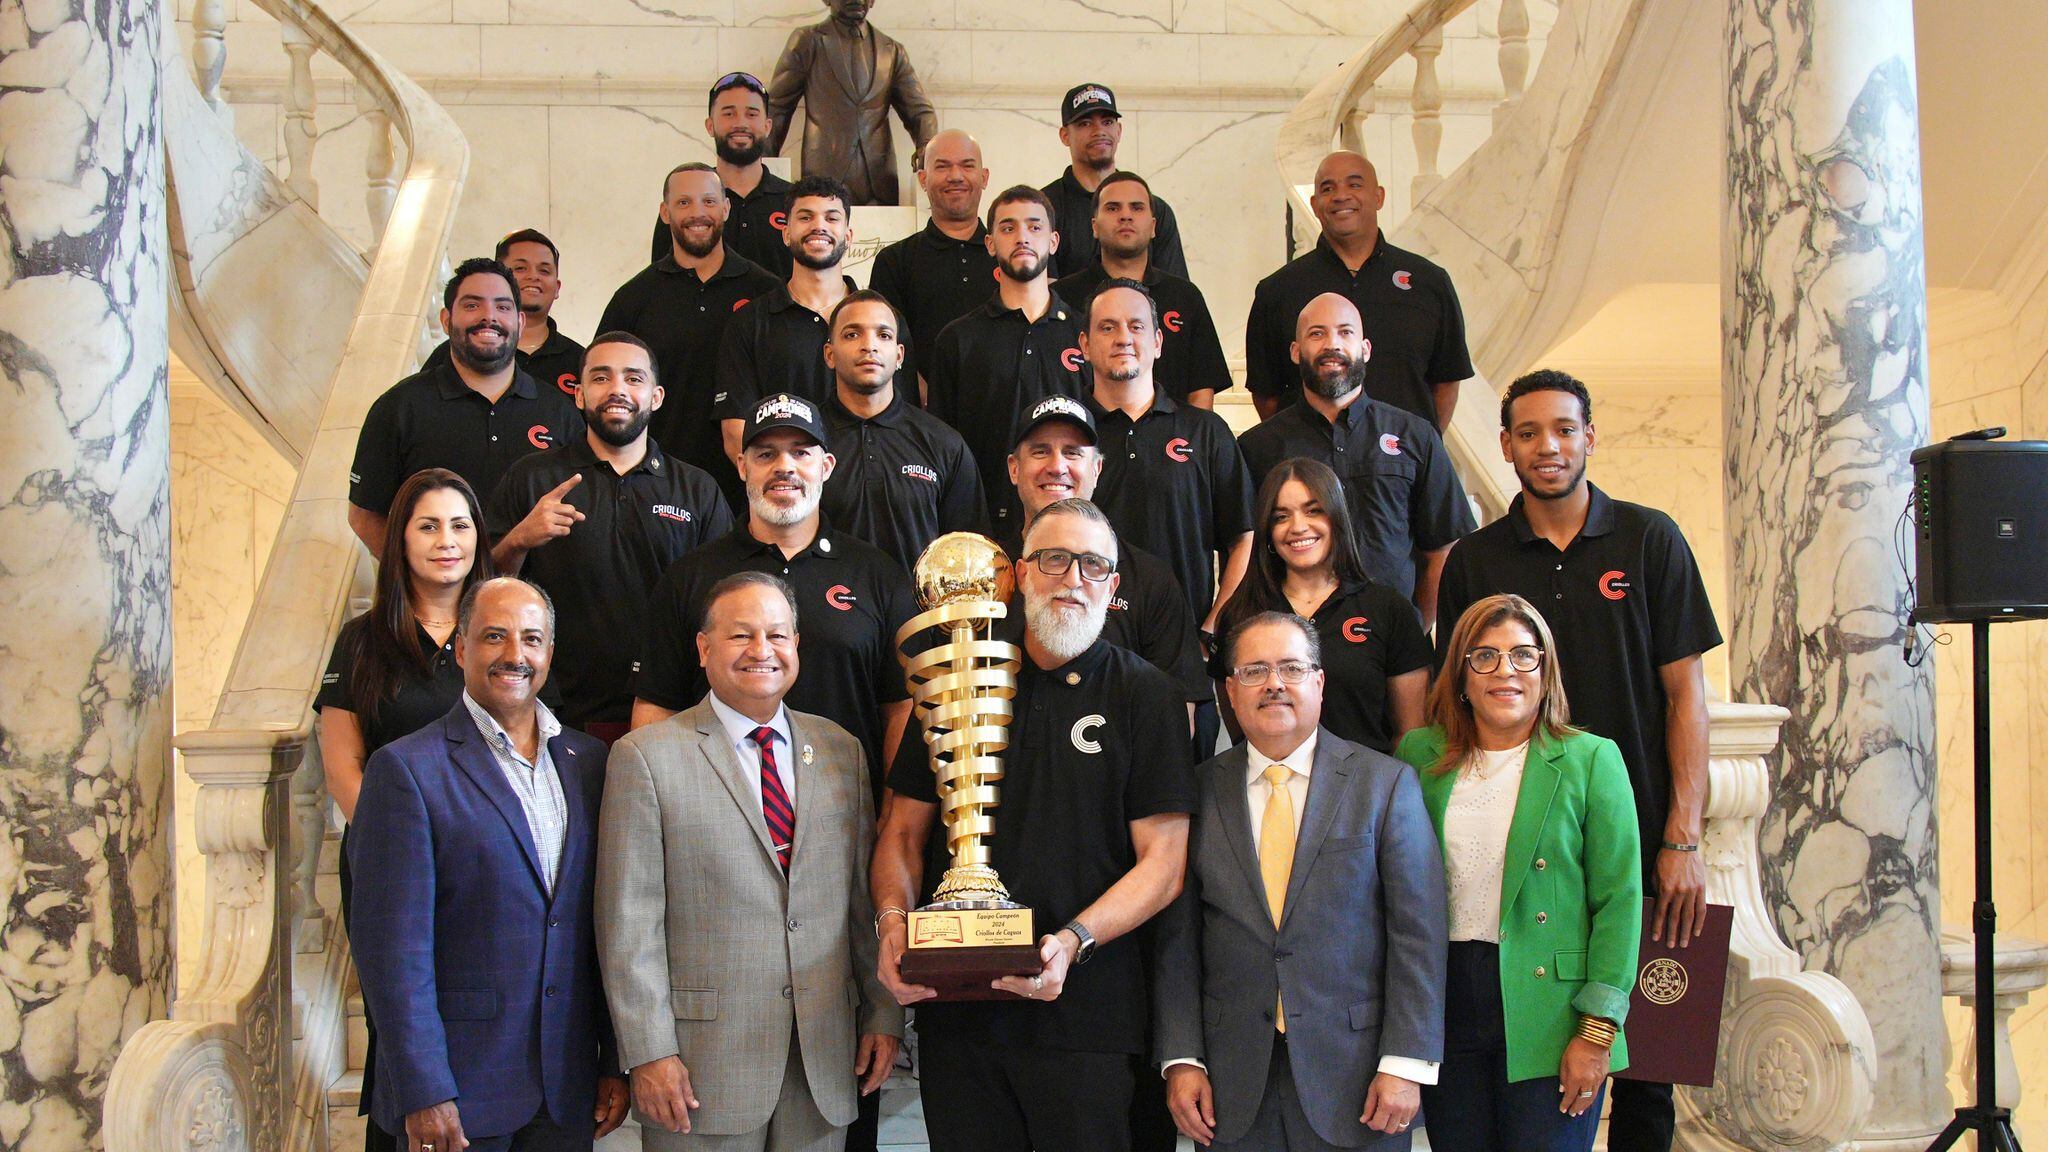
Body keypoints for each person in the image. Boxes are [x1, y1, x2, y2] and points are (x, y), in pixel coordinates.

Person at [1432, 370, 1721, 1152]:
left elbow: (1686, 697)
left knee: (1651, 1061)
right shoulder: (1475, 561)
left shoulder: (1649, 540)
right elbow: (1454, 699)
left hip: (1644, 841)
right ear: (1505, 446)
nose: (1548, 447)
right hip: (1531, 848)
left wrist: (1682, 837)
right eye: (1528, 433)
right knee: (1532, 1063)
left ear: (1590, 435)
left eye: (1564, 429)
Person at [872, 498, 1195, 1152]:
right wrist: (892, 923)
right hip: (958, 1018)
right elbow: (901, 834)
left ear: (1112, 584)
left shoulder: (1147, 694)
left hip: (1087, 1023)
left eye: (1092, 565)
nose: (1073, 578)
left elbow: (1163, 864)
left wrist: (1072, 942)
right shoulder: (954, 683)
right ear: (1019, 573)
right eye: (1054, 559)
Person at [597, 572, 903, 1152]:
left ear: (796, 647)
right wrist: (648, 1051)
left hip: (823, 1058)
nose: (762, 650)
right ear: (703, 648)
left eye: (777, 635)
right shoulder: (645, 757)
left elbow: (860, 906)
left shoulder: (841, 750)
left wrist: (882, 1015)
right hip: (699, 1070)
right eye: (741, 635)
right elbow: (628, 925)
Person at [350, 577, 631, 1152]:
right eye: (494, 636)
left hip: (566, 1087)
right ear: (461, 648)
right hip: (457, 1092)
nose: (514, 654)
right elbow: (392, 952)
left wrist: (611, 1059)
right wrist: (423, 1089)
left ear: (550, 653)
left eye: (532, 639)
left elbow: (601, 930)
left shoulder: (590, 762)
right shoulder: (405, 769)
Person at [1153, 611, 1447, 1151]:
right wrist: (1182, 1057)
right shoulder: (1196, 793)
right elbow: (1179, 938)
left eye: (1291, 668)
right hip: (1230, 1081)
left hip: (1360, 1078)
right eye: (1254, 671)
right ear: (1229, 691)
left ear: (1319, 681)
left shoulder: (1385, 785)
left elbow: (1418, 935)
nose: (1274, 684)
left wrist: (1406, 1061)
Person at [1394, 594, 1642, 1152]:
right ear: (1462, 675)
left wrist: (1597, 1030)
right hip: (1445, 1000)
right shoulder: (1418, 755)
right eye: (1485, 656)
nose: (1505, 670)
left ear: (1545, 670)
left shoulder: (1591, 759)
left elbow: (1620, 902)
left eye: (1523, 655)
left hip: (1552, 1010)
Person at [318, 468, 495, 1152]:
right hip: (392, 869)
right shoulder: (362, 641)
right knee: (404, 1019)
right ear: (400, 540)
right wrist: (405, 851)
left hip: (486, 868)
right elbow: (343, 767)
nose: (446, 540)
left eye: (460, 525)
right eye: (428, 526)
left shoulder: (502, 633)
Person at [632, 393, 917, 803]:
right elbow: (656, 707)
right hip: (712, 813)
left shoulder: (878, 575)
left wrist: (893, 821)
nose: (785, 466)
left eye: (800, 452)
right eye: (766, 454)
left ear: (826, 466)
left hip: (845, 811)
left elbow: (901, 709)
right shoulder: (689, 576)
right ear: (742, 466)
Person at [486, 333, 733, 742]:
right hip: (552, 710)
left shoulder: (697, 489)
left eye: (633, 378)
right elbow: (484, 592)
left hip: (673, 710)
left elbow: (727, 602)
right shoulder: (532, 478)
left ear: (656, 396)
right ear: (579, 394)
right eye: (601, 378)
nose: (617, 389)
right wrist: (519, 540)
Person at [1237, 293, 1472, 628]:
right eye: (1317, 333)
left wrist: (1416, 627)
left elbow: (1443, 548)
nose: (1332, 344)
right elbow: (1243, 552)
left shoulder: (1415, 436)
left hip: (1392, 638)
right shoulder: (1257, 447)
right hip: (1292, 640)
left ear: (1366, 349)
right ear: (1295, 351)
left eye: (1345, 332)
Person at [1004, 396, 1210, 734]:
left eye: (1073, 453)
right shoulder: (984, 572)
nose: (1057, 466)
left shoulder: (1150, 579)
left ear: (1097, 469)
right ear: (1014, 468)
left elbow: (1176, 715)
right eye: (1040, 451)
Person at [348, 258, 581, 553]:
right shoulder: (399, 407)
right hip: (439, 582)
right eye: (472, 305)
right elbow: (364, 515)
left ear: (520, 322)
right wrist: (414, 575)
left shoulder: (559, 411)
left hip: (536, 584)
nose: (489, 317)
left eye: (503, 307)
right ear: (446, 320)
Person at [1212, 458, 1430, 754]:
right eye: (1281, 517)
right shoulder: (1241, 614)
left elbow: (1410, 734)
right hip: (1272, 780)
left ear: (1337, 517)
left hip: (1368, 779)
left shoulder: (1388, 609)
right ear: (1268, 530)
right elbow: (1242, 732)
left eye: (1313, 510)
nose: (1298, 527)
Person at [598, 162, 781, 511]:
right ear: (665, 213)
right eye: (684, 203)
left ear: (726, 208)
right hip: (655, 487)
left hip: (750, 488)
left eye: (709, 201)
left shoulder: (766, 293)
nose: (698, 213)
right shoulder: (633, 299)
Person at [1243, 152, 1471, 428]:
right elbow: (1266, 394)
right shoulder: (1278, 290)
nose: (1341, 196)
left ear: (1379, 197)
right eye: (1328, 188)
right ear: (1314, 205)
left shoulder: (1429, 282)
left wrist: (1421, 444)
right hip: (1309, 453)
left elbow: (1446, 382)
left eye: (1354, 184)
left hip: (1403, 452)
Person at [1082, 279, 1253, 644]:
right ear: (1084, 345)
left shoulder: (1206, 432)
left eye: (1136, 326)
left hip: (1183, 647)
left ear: (1158, 342)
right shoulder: (1066, 434)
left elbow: (1243, 538)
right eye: (1107, 327)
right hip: (1086, 648)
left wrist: (1212, 629)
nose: (1123, 338)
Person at [923, 185, 1088, 530]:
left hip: (1073, 522)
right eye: (1008, 228)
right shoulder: (958, 339)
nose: (1022, 237)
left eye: (1034, 226)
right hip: (980, 524)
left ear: (1053, 241)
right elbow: (942, 447)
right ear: (990, 243)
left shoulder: (1086, 335)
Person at [817, 291, 986, 572]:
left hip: (920, 602)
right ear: (829, 354)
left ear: (899, 355)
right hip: (825, 600)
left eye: (883, 335)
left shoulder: (944, 443)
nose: (869, 346)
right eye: (852, 335)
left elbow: (971, 554)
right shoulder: (804, 443)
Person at [1052, 171, 1230, 409]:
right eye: (1113, 208)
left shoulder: (1185, 297)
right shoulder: (1061, 298)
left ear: (1154, 226)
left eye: (1136, 208)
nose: (1125, 215)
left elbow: (1201, 390)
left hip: (1174, 431)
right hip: (1085, 431)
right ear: (1094, 226)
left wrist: (1195, 434)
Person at [716, 176, 860, 466]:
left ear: (848, 235)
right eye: (805, 217)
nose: (818, 226)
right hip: (784, 487)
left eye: (831, 218)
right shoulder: (749, 323)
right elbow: (735, 433)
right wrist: (794, 481)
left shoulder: (882, 322)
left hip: (863, 487)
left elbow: (897, 421)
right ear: (785, 233)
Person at [765, 0, 939, 207]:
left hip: (879, 182)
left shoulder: (892, 51)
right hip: (823, 176)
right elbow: (777, 107)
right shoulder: (808, 41)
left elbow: (919, 111)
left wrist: (928, 148)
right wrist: (763, 168)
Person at [867, 128, 996, 389]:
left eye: (967, 165)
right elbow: (884, 340)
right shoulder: (894, 261)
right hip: (923, 407)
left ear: (984, 177)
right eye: (943, 166)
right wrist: (921, 392)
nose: (955, 176)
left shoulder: (1007, 258)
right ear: (923, 179)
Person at [647, 72, 793, 277]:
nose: (741, 123)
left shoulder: (795, 201)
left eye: (751, 114)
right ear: (710, 126)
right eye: (729, 114)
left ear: (767, 126)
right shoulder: (683, 204)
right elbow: (660, 281)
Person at [1042, 83, 1186, 280]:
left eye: (1107, 122)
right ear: (1065, 135)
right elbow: (1042, 291)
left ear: (1119, 131)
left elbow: (1174, 290)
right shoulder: (1042, 209)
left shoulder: (1155, 210)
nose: (1099, 131)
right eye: (1085, 123)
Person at [425, 230, 585, 397]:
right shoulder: (452, 352)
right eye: (520, 268)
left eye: (544, 270)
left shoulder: (580, 360)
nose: (533, 276)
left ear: (557, 288)